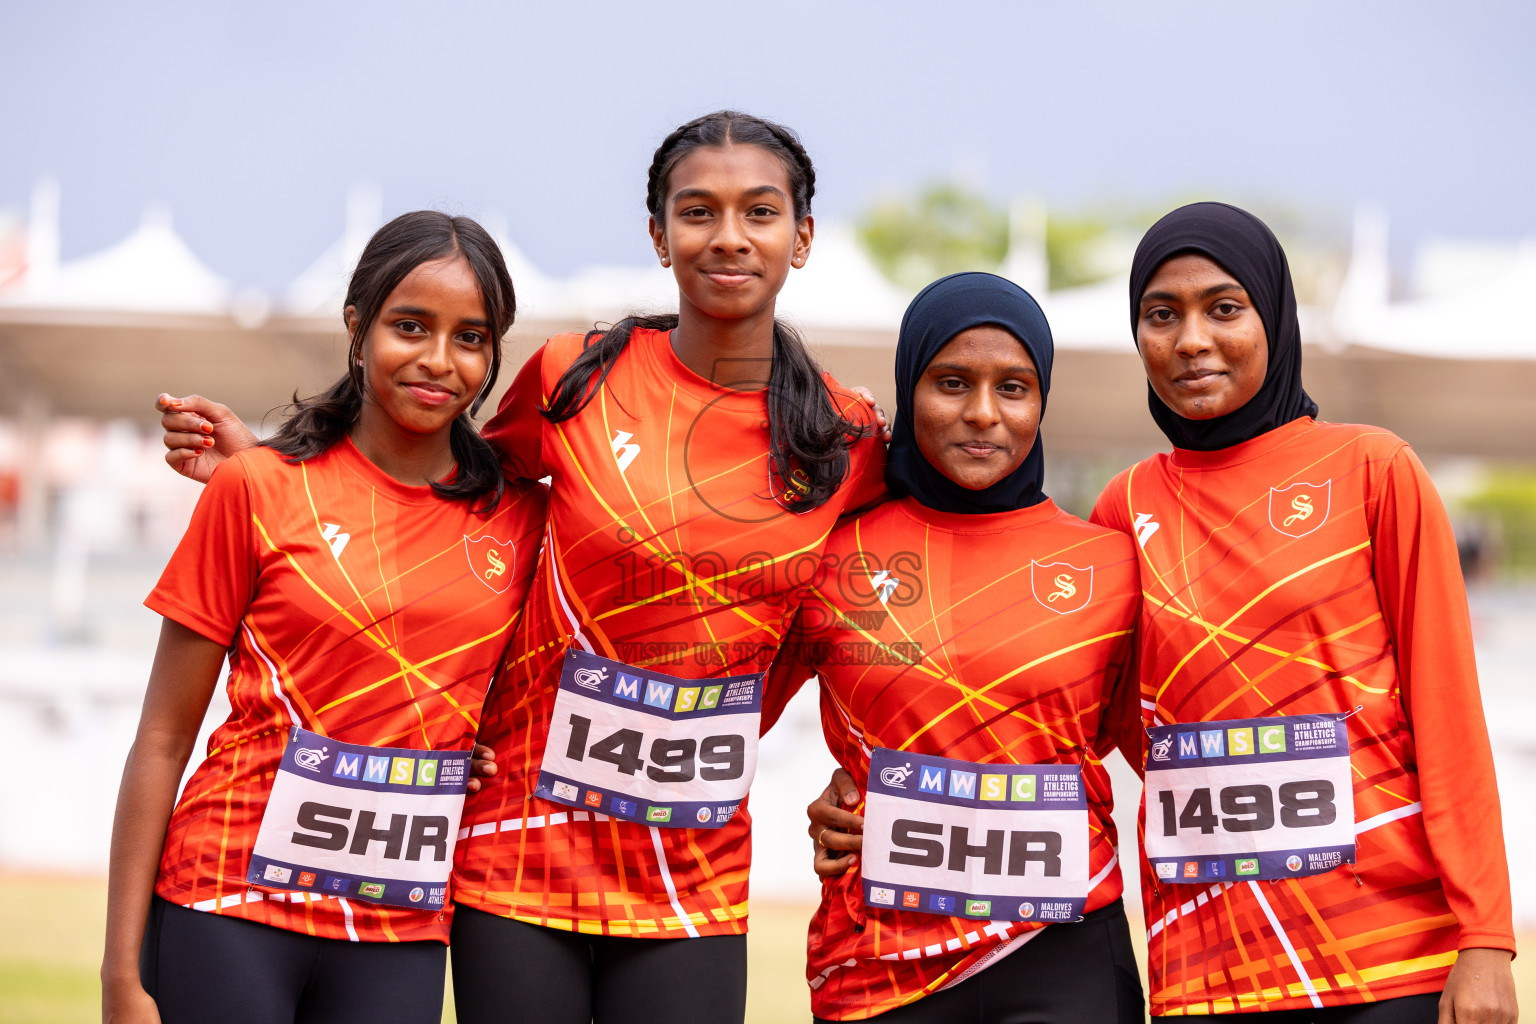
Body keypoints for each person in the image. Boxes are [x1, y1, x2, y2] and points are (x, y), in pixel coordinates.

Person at [158, 111, 888, 1024]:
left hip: (690, 874)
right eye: (698, 211)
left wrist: (867, 775)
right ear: (660, 236)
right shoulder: (574, 376)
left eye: (761, 212)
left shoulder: (848, 438)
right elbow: (443, 495)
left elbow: (879, 607)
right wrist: (271, 469)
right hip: (516, 851)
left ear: (803, 237)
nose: (729, 236)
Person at [103, 211, 547, 1024]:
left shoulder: (522, 520)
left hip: (399, 927)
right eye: (409, 327)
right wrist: (120, 977)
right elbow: (162, 738)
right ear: (358, 325)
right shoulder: (255, 488)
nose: (439, 361)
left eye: (471, 338)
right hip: (227, 902)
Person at [1089, 202, 1517, 1022]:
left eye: (1223, 308)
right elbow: (1085, 715)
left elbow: (1449, 714)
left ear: (1273, 316)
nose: (1190, 341)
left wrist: (1486, 939)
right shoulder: (1125, 505)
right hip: (1206, 965)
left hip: (1388, 960)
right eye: (1160, 314)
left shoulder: (1372, 470)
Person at [771, 273, 1145, 1022]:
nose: (983, 414)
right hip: (880, 964)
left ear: (1042, 402)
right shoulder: (826, 555)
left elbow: (1151, 746)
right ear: (910, 389)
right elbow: (721, 711)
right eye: (951, 382)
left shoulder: (1112, 562)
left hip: (1061, 947)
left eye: (1013, 387)